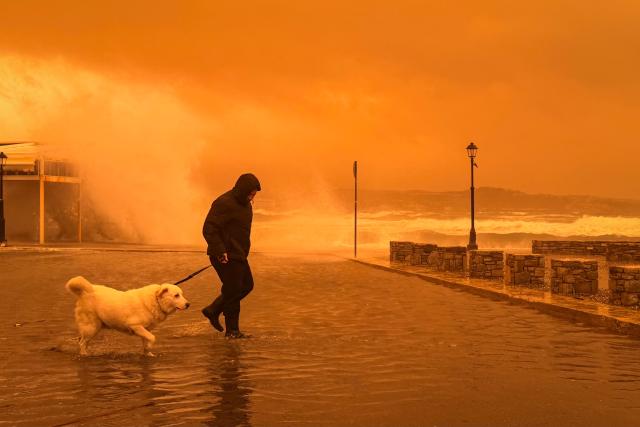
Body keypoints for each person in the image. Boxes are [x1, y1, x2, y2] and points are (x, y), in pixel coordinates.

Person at [202, 173, 261, 338]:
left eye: (254, 194)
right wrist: (220, 250)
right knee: (233, 291)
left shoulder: (246, 204)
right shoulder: (224, 203)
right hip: (225, 255)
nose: (252, 197)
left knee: (247, 285)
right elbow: (209, 228)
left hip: (239, 254)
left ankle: (213, 310)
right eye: (250, 193)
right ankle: (232, 331)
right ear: (242, 190)